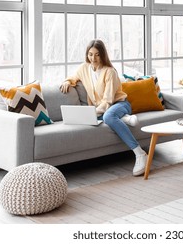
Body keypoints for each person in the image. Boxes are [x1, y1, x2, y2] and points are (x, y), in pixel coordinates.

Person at [60, 39, 148, 176]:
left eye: (97, 55)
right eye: (90, 54)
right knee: (103, 116)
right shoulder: (84, 68)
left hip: (119, 104)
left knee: (108, 116)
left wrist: (93, 113)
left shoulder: (110, 72)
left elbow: (108, 100)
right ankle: (124, 120)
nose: (93, 58)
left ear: (102, 55)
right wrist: (67, 81)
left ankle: (140, 153)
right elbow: (74, 77)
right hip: (102, 108)